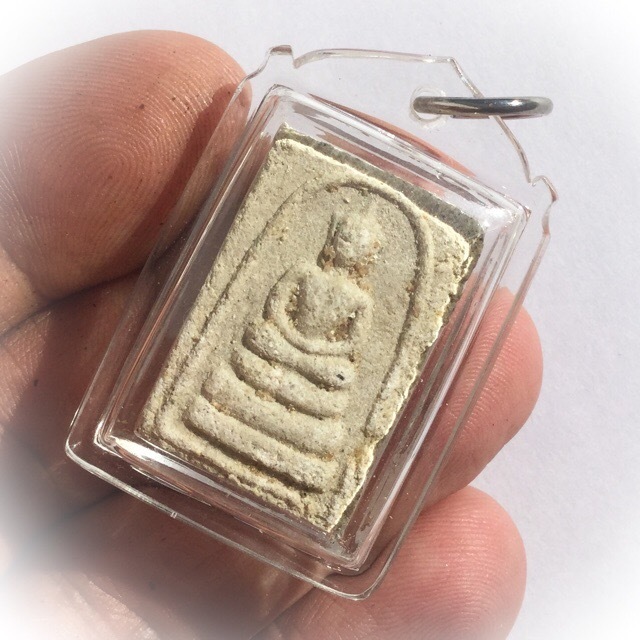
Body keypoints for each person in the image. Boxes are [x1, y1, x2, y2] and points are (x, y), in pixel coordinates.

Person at [0, 31, 543, 639]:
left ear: (366, 257)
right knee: (232, 375)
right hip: (264, 358)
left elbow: (351, 355)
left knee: (332, 413)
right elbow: (270, 319)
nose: (345, 248)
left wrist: (322, 360)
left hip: (318, 382)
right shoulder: (304, 272)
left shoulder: (361, 298)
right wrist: (280, 342)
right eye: (342, 237)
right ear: (334, 236)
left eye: (356, 246)